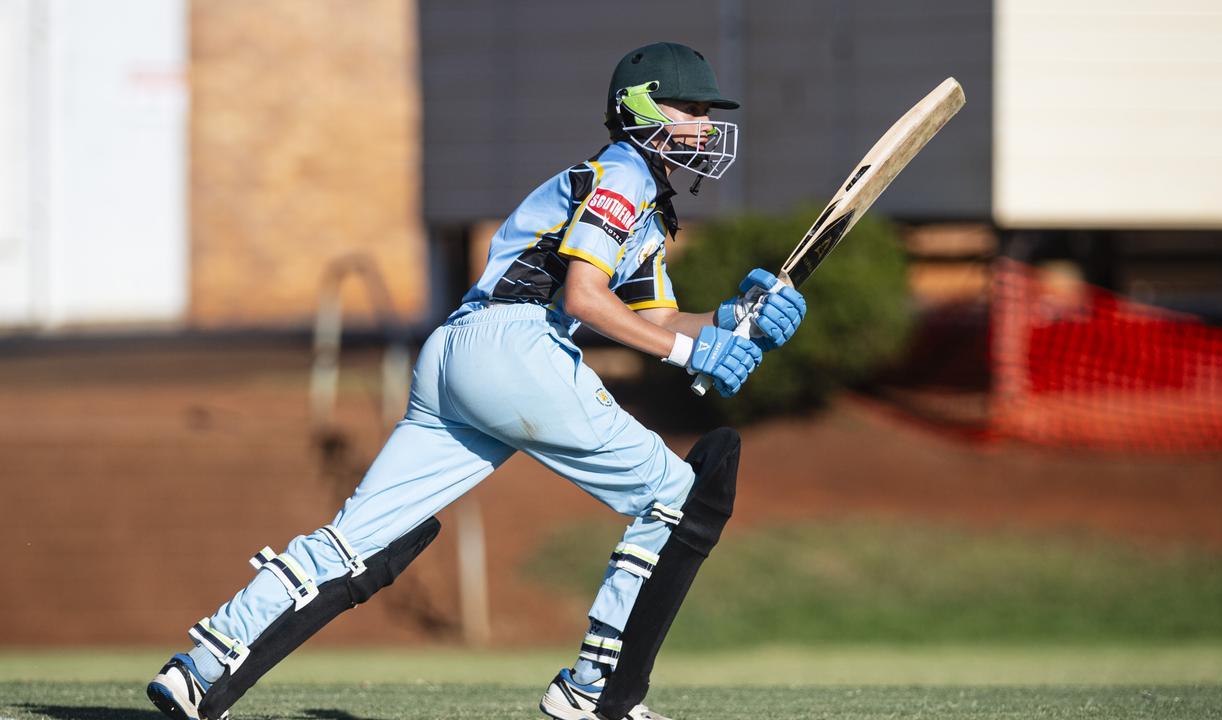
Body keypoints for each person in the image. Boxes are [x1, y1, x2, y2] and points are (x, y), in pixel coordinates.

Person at [146, 41, 806, 720]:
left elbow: (660, 317)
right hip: (517, 348)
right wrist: (689, 354)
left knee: (355, 537)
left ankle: (202, 663)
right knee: (672, 497)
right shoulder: (624, 176)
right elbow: (584, 300)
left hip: (454, 356)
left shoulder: (644, 200)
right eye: (689, 108)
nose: (703, 125)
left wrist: (731, 318)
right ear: (639, 109)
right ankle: (592, 691)